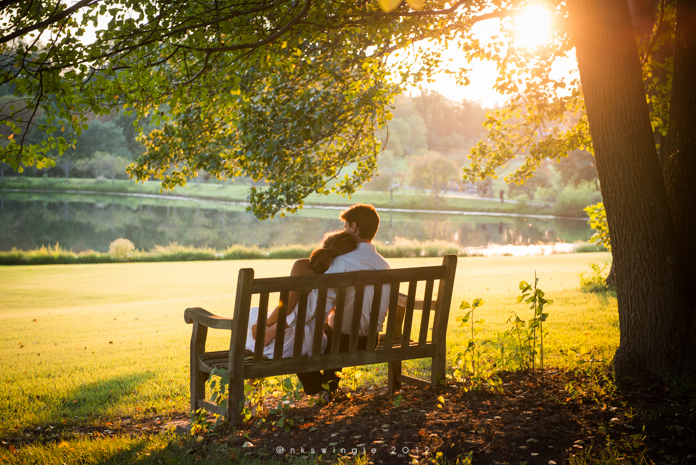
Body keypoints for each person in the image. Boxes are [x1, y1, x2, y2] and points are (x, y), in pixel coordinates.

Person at [296, 203, 391, 400]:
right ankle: (330, 387)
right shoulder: (384, 265)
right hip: (371, 340)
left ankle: (321, 389)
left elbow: (319, 305)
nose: (344, 230)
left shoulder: (342, 263)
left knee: (296, 345)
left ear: (354, 227)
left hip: (343, 343)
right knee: (336, 329)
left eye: (346, 226)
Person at [245, 231, 357, 359]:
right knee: (258, 322)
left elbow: (286, 307)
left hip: (283, 345)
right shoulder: (344, 276)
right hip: (312, 344)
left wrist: (265, 325)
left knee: (253, 314)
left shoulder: (303, 266)